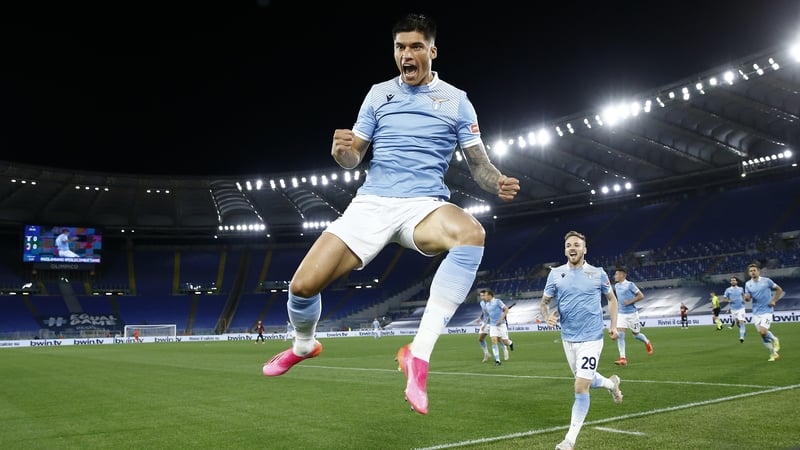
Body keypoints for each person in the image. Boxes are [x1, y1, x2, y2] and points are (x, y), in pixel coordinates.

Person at [261, 12, 520, 416]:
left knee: (472, 233)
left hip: (423, 206)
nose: (407, 54)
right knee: (302, 287)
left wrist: (498, 180)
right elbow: (353, 157)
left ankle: (418, 354)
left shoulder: (456, 100)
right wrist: (341, 152)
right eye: (400, 47)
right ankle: (304, 345)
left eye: (416, 46)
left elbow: (478, 164)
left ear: (432, 51)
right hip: (372, 204)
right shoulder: (378, 94)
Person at [540, 231, 623, 450]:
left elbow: (612, 300)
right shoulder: (556, 274)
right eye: (568, 245)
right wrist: (547, 313)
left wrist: (613, 326)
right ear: (565, 250)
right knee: (586, 380)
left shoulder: (597, 273)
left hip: (592, 338)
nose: (572, 248)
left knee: (580, 387)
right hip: (568, 338)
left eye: (577, 244)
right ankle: (611, 383)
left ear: (585, 249)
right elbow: (544, 302)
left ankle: (569, 440)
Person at [612, 266, 652, 366]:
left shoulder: (630, 285)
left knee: (636, 335)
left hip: (632, 314)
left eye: (617, 274)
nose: (615, 276)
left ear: (622, 275)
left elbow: (641, 296)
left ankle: (647, 342)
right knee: (620, 336)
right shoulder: (616, 286)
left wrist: (630, 301)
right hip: (621, 314)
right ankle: (623, 358)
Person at [743, 263, 783, 361]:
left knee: (763, 331)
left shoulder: (767, 281)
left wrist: (774, 300)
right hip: (756, 312)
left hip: (767, 310)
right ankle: (773, 354)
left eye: (754, 270)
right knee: (762, 335)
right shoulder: (748, 284)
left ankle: (774, 339)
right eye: (751, 271)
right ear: (749, 273)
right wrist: (747, 298)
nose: (752, 272)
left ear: (758, 271)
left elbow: (779, 290)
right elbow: (748, 297)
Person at [478, 288, 513, 366]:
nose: (484, 297)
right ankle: (498, 361)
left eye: (485, 295)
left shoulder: (498, 301)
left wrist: (501, 319)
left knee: (505, 341)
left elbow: (506, 310)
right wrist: (484, 324)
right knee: (494, 341)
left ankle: (510, 343)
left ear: (490, 295)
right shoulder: (486, 304)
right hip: (493, 325)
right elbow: (489, 316)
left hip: (501, 324)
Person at [722, 276, 747, 342]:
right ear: (730, 282)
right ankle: (743, 331)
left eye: (734, 280)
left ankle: (741, 337)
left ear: (737, 281)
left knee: (741, 322)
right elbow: (724, 299)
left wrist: (744, 300)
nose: (733, 281)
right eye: (732, 280)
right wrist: (728, 300)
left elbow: (744, 295)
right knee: (737, 323)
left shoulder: (741, 289)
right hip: (733, 309)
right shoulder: (728, 290)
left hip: (741, 308)